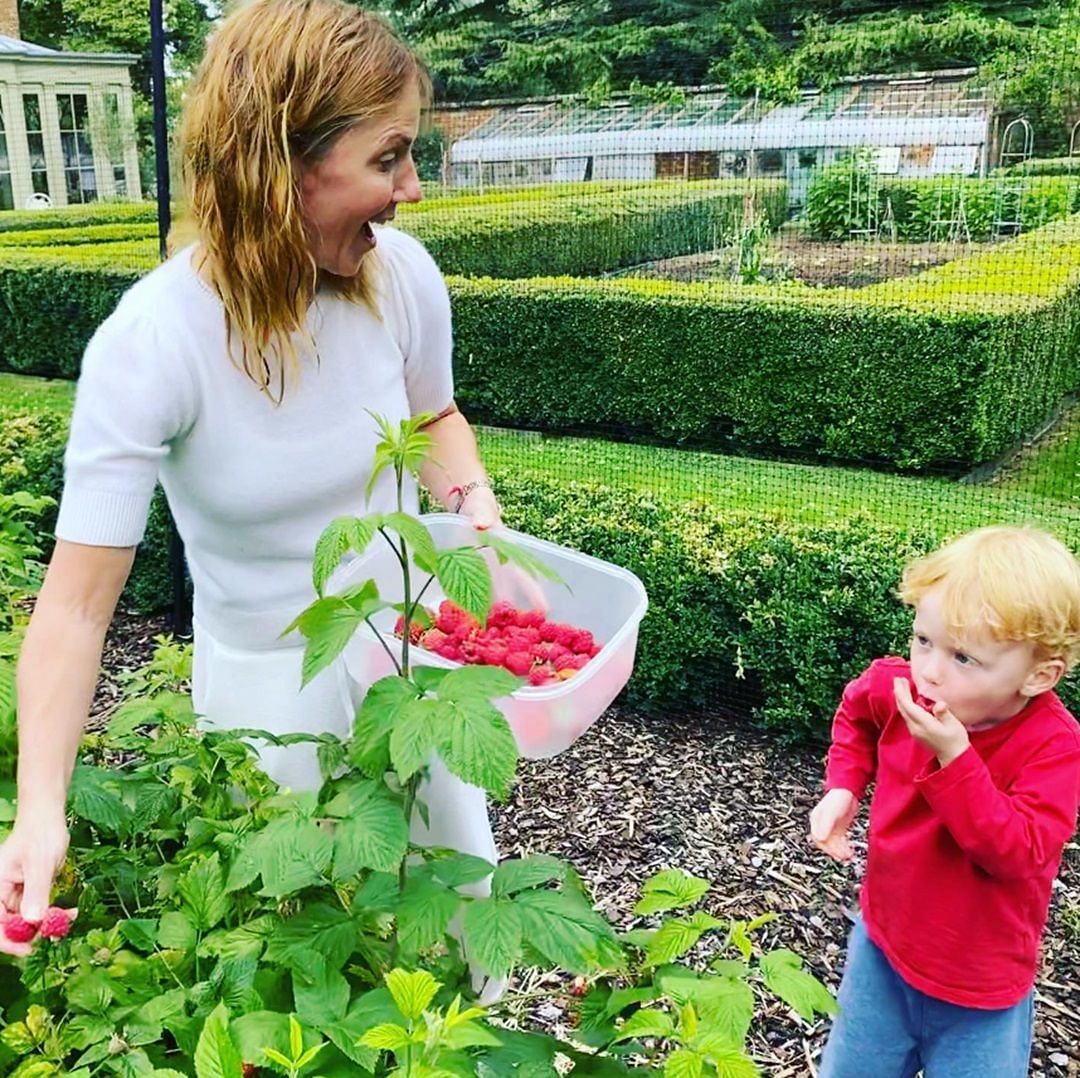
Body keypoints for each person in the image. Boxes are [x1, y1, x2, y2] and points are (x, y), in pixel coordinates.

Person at [0, 0, 506, 961]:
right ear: (284, 166)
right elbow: (70, 613)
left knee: (458, 958)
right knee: (312, 981)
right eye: (388, 157)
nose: (412, 188)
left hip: (412, 678)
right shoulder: (152, 344)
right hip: (270, 703)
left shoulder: (401, 278)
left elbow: (433, 417)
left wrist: (469, 503)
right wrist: (39, 813)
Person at [809, 525, 1080, 1077]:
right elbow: (857, 717)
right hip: (882, 947)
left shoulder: (1054, 746)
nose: (929, 669)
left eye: (963, 657)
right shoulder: (900, 687)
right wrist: (843, 786)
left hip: (981, 987)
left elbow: (1017, 853)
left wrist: (957, 760)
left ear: (1039, 675)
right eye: (923, 640)